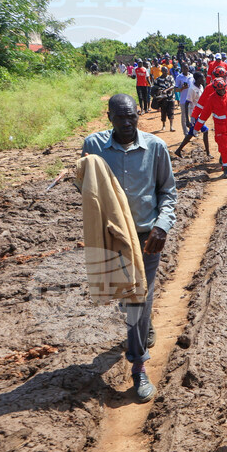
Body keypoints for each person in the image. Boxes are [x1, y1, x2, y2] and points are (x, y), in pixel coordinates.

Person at [81, 94, 177, 402]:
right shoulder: (93, 146)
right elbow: (86, 185)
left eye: (131, 116)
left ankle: (138, 366)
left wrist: (162, 225)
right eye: (120, 117)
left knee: (137, 299)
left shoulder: (156, 148)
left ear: (138, 114)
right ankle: (143, 326)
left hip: (147, 237)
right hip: (112, 236)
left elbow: (168, 192)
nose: (126, 123)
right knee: (127, 298)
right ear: (109, 117)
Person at [175, 73, 211, 157]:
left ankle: (178, 150)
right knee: (205, 131)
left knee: (191, 133)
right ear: (197, 79)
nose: (203, 80)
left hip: (200, 113)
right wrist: (188, 120)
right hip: (194, 114)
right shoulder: (192, 89)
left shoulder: (201, 87)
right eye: (202, 78)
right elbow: (187, 103)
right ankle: (208, 153)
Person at [151, 66, 176, 132]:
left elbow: (173, 86)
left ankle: (171, 126)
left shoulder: (170, 77)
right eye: (164, 71)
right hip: (162, 99)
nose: (165, 72)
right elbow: (154, 87)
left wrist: (166, 90)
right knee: (163, 112)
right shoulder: (158, 79)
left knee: (171, 112)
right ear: (161, 71)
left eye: (166, 71)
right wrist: (159, 91)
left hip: (171, 97)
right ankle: (163, 125)